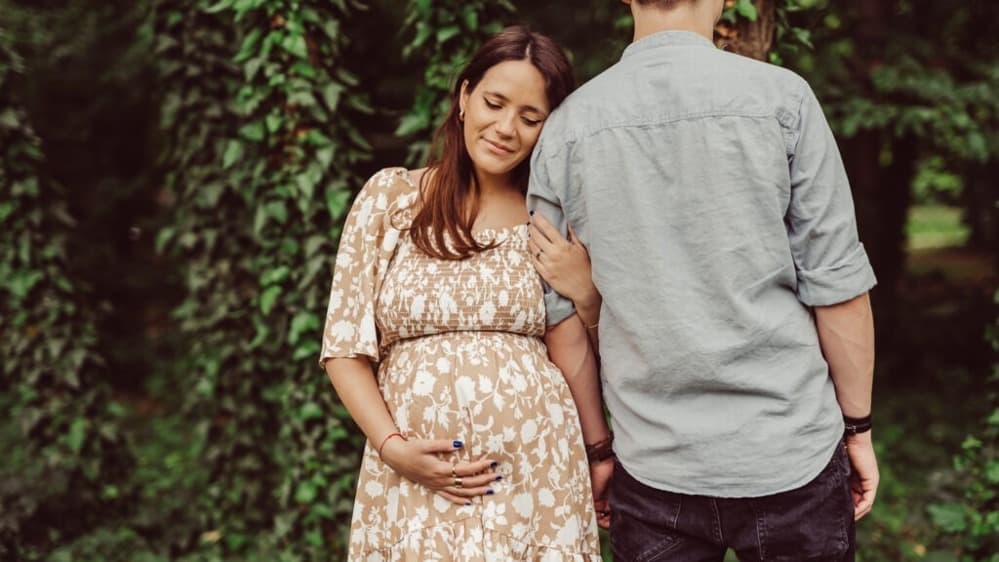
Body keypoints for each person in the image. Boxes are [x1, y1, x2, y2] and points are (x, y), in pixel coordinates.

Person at [526, 0, 880, 560]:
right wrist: (857, 427)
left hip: (653, 461)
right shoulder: (782, 101)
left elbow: (560, 318)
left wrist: (599, 451)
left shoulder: (567, 127)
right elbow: (838, 289)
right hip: (788, 452)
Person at [319, 26, 609, 561]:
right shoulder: (392, 199)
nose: (505, 129)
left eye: (530, 117)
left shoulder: (545, 219)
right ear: (463, 97)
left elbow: (567, 345)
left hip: (537, 477)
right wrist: (395, 449)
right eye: (494, 103)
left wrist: (598, 452)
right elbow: (344, 348)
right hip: (413, 482)